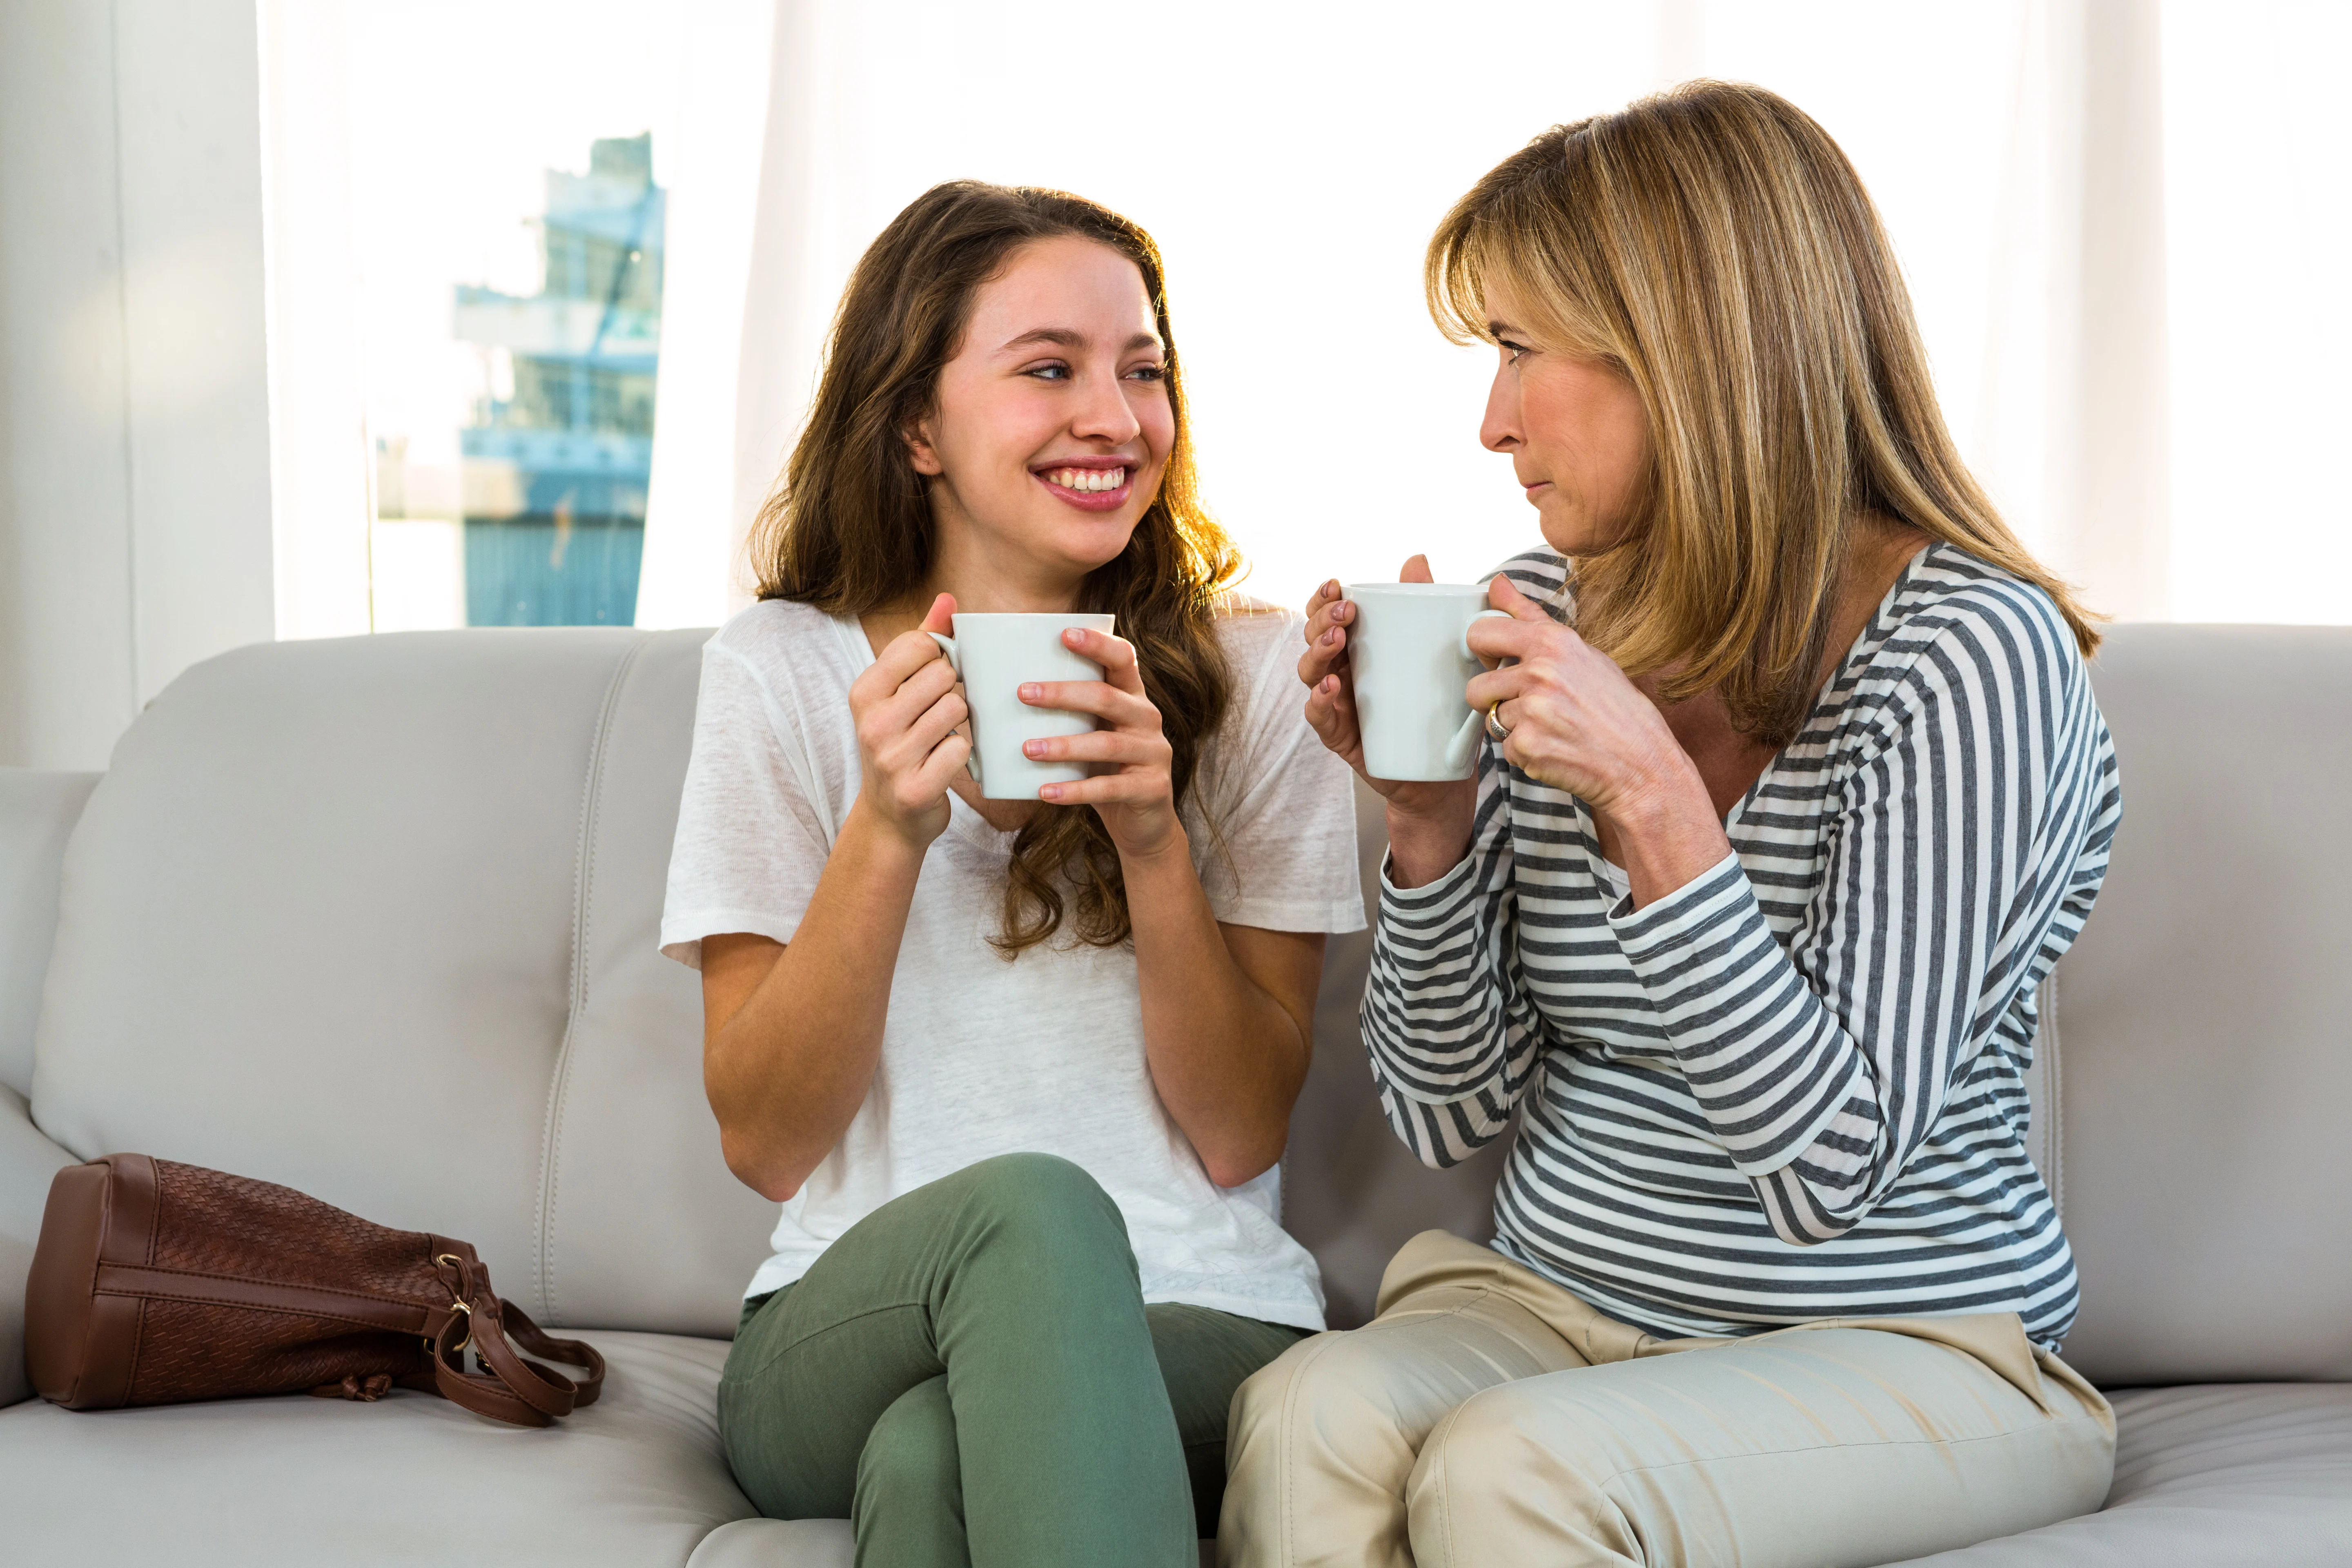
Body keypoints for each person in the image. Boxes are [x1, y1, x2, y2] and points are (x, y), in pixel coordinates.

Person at [1225, 82, 2123, 1568]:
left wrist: (1652, 802)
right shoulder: (1555, 607)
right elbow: (1448, 1113)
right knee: (1308, 1414)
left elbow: (1829, 1172)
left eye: (1519, 349)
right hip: (1561, 1304)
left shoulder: (1968, 655)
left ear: (1690, 354)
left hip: (1903, 1339)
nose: (1492, 419)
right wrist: (1433, 825)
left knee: (1513, 1472)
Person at [659, 181, 1363, 1568]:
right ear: (919, 424)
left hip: (1202, 1319)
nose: (1116, 417)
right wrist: (887, 832)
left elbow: (1238, 1136)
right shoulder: (781, 675)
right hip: (844, 1321)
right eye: (1050, 369)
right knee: (1032, 1210)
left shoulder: (1256, 681)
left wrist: (1152, 842)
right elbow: (768, 1141)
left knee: (932, 1459)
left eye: (1143, 371)